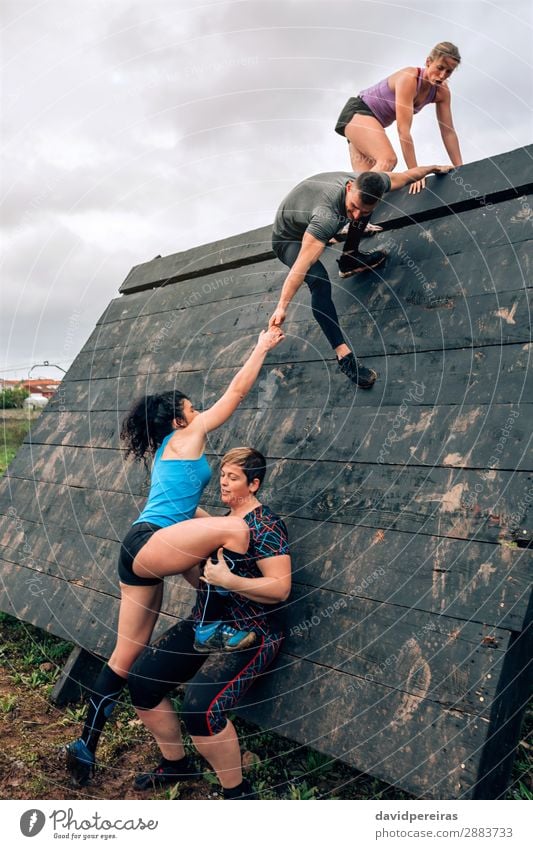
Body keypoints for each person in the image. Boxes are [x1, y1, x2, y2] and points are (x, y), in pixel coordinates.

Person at [64, 328, 284, 787]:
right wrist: (262, 345)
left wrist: (202, 540)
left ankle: (86, 743)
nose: (200, 412)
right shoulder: (191, 435)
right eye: (192, 408)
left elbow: (184, 512)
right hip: (151, 543)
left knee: (126, 659)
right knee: (235, 528)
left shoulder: (170, 448)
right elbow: (237, 392)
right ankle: (210, 626)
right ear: (181, 421)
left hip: (143, 550)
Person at [128, 446, 291, 800]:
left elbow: (280, 589)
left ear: (254, 484)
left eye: (233, 478)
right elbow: (205, 583)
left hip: (252, 633)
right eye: (222, 477)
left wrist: (231, 582)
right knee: (142, 680)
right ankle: (176, 764)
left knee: (201, 710)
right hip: (205, 625)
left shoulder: (267, 526)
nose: (224, 483)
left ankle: (237, 793)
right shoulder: (220, 525)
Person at [269, 165, 452, 388]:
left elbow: (405, 177)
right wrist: (282, 307)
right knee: (319, 281)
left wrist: (433, 167)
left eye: (362, 211)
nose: (355, 215)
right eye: (354, 206)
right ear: (348, 188)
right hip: (288, 239)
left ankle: (350, 258)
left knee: (358, 215)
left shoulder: (374, 184)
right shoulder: (325, 216)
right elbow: (300, 267)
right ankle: (342, 355)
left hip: (311, 218)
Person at [335, 42, 463, 195]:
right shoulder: (410, 78)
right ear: (429, 62)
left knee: (368, 188)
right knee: (387, 159)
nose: (442, 75)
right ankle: (338, 204)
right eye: (440, 67)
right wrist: (415, 173)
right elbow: (403, 131)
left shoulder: (442, 93)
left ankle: (351, 217)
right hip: (358, 112)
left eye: (449, 71)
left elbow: (448, 132)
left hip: (367, 125)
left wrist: (461, 169)